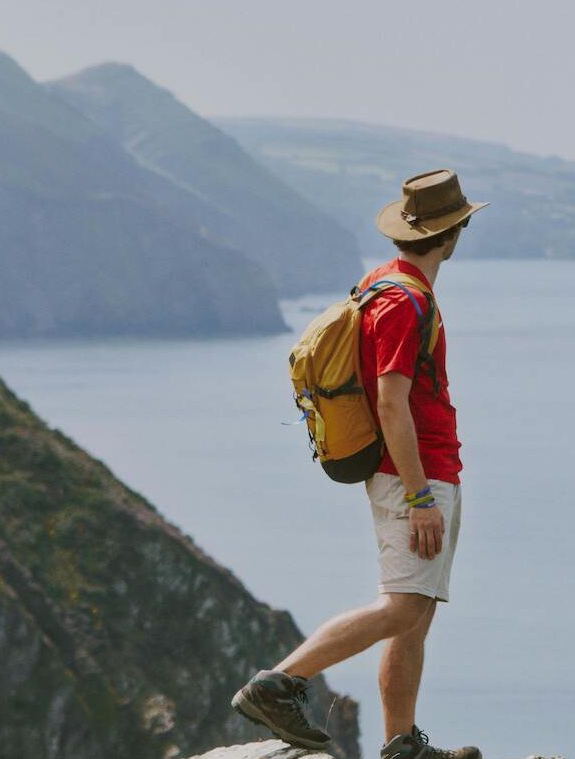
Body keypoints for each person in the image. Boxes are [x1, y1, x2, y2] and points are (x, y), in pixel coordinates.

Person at [233, 170, 487, 759]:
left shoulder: (382, 283)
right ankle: (278, 683)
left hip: (420, 471)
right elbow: (390, 402)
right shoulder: (405, 301)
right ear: (454, 234)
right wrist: (421, 497)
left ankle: (402, 744)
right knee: (401, 606)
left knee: (415, 612)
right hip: (413, 476)